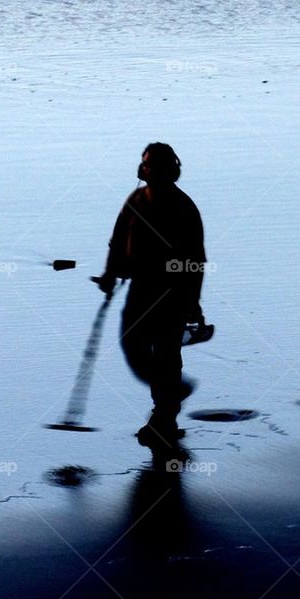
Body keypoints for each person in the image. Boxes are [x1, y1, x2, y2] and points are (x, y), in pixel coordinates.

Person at [95, 143, 206, 446]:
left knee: (167, 351)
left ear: (171, 169)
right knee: (133, 345)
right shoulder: (136, 199)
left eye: (155, 165)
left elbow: (196, 260)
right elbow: (118, 239)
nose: (149, 169)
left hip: (173, 293)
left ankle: (165, 416)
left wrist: (193, 303)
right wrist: (110, 272)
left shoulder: (184, 208)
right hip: (140, 287)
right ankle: (171, 397)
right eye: (146, 164)